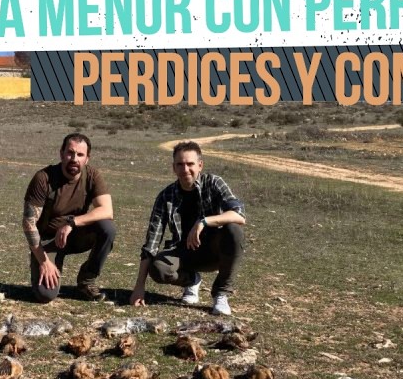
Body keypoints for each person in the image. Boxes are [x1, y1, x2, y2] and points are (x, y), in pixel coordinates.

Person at [130, 141, 246, 315]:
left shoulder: (214, 183)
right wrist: (139, 287)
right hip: (184, 252)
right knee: (159, 268)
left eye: (190, 164)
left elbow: (239, 215)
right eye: (180, 164)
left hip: (214, 251)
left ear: (200, 165)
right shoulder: (165, 196)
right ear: (174, 168)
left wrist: (204, 222)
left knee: (234, 230)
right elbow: (151, 243)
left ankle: (221, 294)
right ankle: (191, 281)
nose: (185, 169)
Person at [21, 133, 115, 303]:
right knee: (46, 295)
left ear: (87, 158)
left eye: (80, 155)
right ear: (61, 153)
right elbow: (28, 224)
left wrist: (72, 223)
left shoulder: (92, 175)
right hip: (48, 243)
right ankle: (49, 263)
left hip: (76, 236)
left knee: (107, 228)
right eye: (70, 153)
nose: (74, 159)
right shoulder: (43, 178)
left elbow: (107, 211)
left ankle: (87, 280)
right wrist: (43, 261)